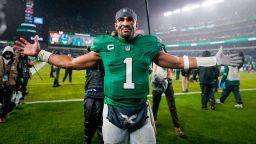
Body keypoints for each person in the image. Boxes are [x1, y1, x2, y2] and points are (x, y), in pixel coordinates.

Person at [14, 8, 242, 144]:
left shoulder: (148, 44)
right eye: (121, 20)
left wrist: (213, 60)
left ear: (135, 25)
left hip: (141, 110)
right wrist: (41, 53)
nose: (125, 23)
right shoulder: (104, 44)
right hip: (113, 109)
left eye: (129, 21)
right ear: (115, 24)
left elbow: (179, 62)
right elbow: (72, 63)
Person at [151, 63, 185, 137]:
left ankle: (177, 127)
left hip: (167, 81)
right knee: (155, 105)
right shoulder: (154, 55)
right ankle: (153, 122)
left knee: (172, 106)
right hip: (157, 81)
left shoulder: (164, 54)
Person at [84, 50, 104, 144]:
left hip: (103, 95)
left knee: (102, 125)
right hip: (93, 94)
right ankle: (88, 140)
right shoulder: (90, 59)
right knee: (90, 123)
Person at [0, 46, 19, 123]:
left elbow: (19, 72)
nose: (8, 54)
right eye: (6, 52)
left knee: (6, 101)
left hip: (10, 84)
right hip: (0, 83)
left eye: (10, 52)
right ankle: (11, 105)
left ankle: (2, 117)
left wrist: (18, 85)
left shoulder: (15, 61)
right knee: (4, 101)